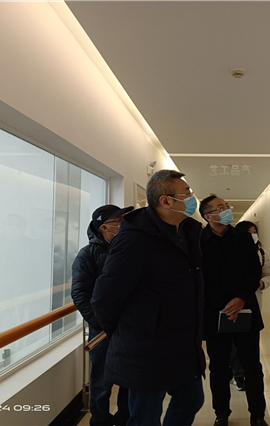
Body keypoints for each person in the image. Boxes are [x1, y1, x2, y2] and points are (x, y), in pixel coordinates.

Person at [91, 170, 206, 426]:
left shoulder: (188, 232)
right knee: (145, 416)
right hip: (145, 347)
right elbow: (104, 297)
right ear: (166, 201)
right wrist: (128, 332)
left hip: (182, 343)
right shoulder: (135, 239)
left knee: (191, 399)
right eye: (186, 193)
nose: (191, 198)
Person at [199, 195, 268, 426]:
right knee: (218, 367)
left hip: (245, 310)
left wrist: (240, 299)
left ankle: (257, 415)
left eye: (226, 206)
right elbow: (199, 279)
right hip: (214, 314)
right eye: (220, 208)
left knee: (252, 366)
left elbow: (254, 271)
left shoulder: (243, 238)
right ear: (208, 216)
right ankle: (221, 414)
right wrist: (224, 305)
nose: (226, 210)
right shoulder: (198, 241)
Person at [71, 204, 133, 426]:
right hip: (102, 331)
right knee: (101, 381)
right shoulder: (87, 255)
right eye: (119, 221)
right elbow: (80, 293)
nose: (124, 224)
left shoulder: (130, 249)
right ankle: (100, 421)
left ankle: (125, 419)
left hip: (130, 327)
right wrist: (100, 322)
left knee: (129, 378)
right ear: (104, 227)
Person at [231, 221, 270, 391]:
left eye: (254, 231)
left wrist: (262, 283)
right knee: (233, 342)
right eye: (249, 232)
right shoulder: (232, 251)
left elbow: (269, 275)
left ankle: (243, 373)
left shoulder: (262, 253)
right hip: (233, 303)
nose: (253, 234)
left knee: (249, 342)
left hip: (253, 303)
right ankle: (236, 373)